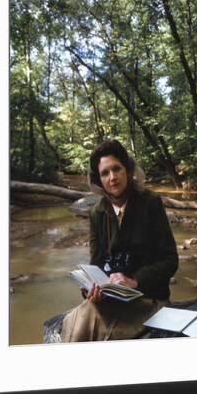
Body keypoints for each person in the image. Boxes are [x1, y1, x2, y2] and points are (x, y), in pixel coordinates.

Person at [61, 139, 178, 342]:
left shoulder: (150, 203)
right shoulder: (97, 212)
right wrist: (91, 288)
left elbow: (170, 260)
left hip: (149, 300)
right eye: (105, 173)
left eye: (117, 169)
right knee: (75, 320)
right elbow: (97, 263)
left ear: (128, 170)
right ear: (99, 180)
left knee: (87, 325)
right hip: (112, 301)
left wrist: (135, 281)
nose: (112, 177)